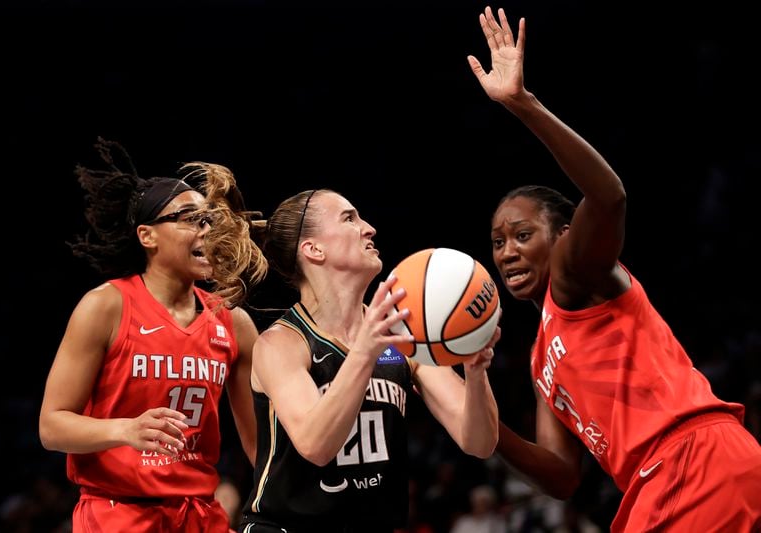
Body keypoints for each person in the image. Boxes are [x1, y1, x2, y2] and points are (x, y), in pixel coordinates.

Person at [468, 6, 761, 532]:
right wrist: (483, 425)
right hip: (676, 476)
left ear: (562, 236)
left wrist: (523, 105)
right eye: (497, 242)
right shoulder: (540, 358)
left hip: (688, 465)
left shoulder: (574, 274)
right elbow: (561, 476)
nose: (507, 251)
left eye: (521, 234)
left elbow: (608, 195)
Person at [202, 187, 501, 532]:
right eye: (349, 218)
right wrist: (365, 350)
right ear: (313, 249)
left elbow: (478, 442)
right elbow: (316, 444)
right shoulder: (281, 343)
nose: (369, 228)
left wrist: (476, 370)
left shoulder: (403, 335)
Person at [38, 138, 268, 532]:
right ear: (148, 236)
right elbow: (51, 426)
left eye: (208, 220)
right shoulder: (106, 306)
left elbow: (259, 448)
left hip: (201, 515)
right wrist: (123, 429)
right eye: (189, 218)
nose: (207, 229)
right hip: (116, 514)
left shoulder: (233, 322)